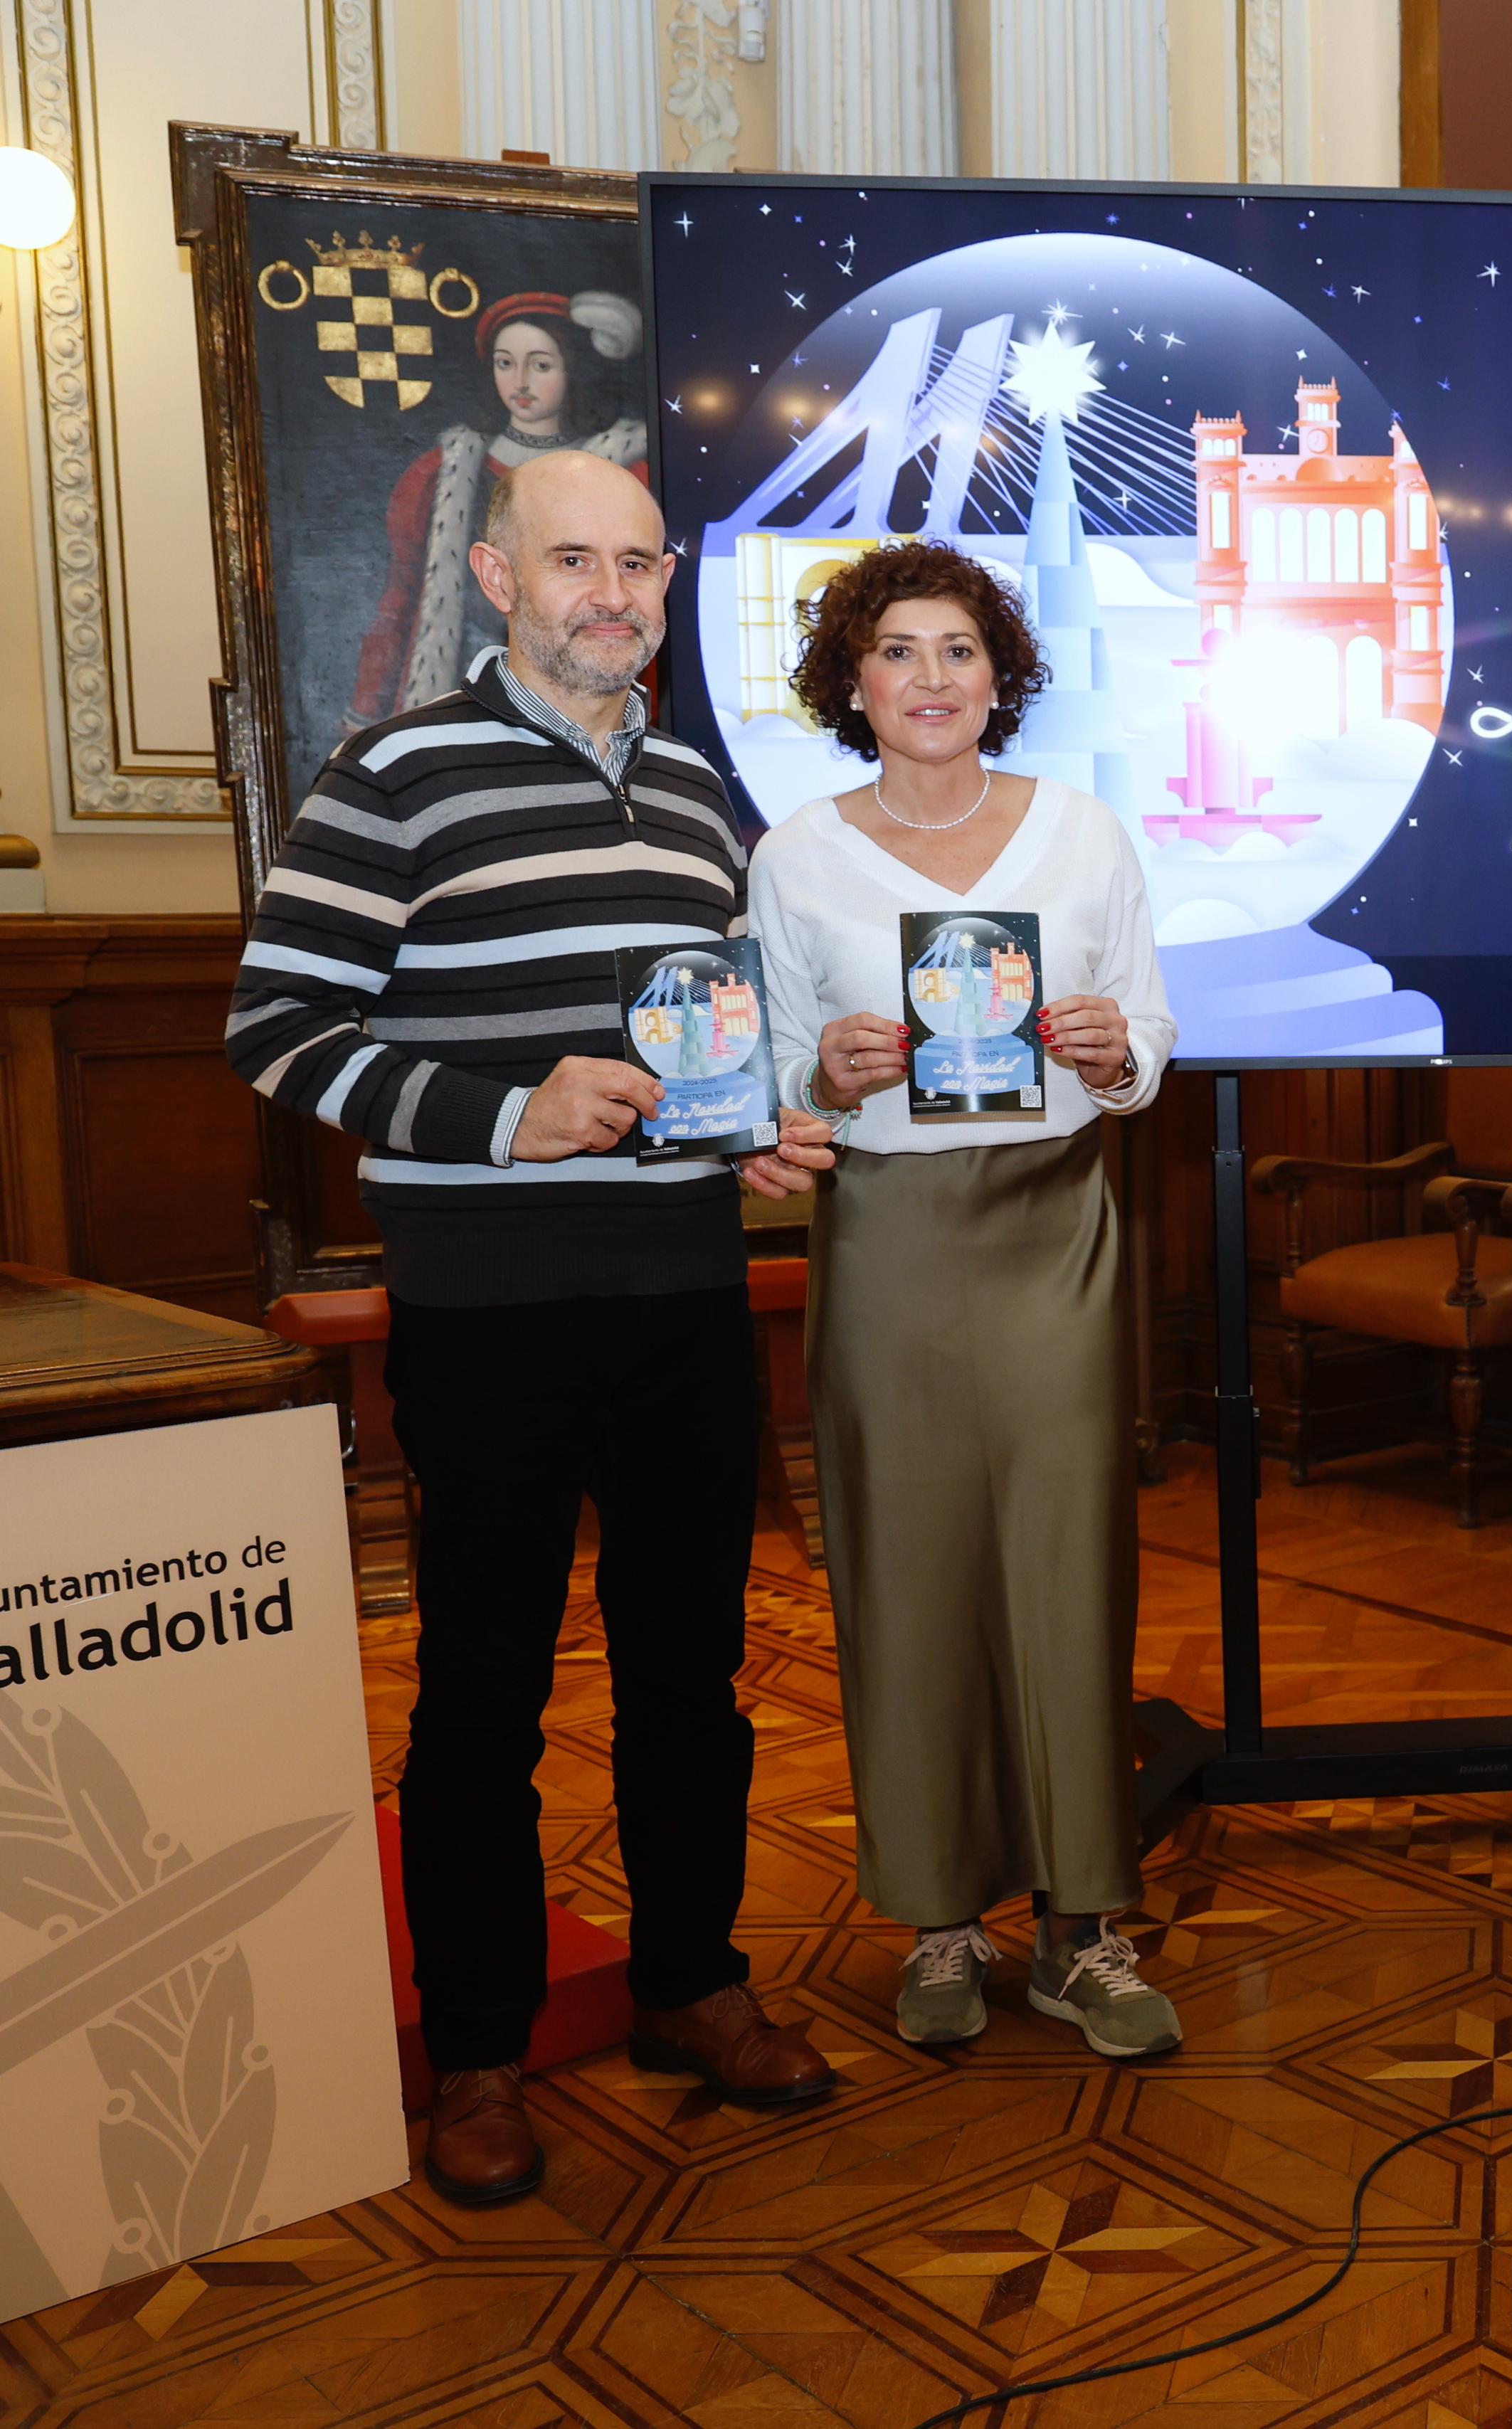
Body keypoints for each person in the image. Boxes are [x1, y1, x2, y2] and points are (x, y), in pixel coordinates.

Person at [228, 450, 844, 2207]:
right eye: (574, 560)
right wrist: (511, 1115)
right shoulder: (395, 774)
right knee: (484, 1693)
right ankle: (481, 2050)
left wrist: (755, 1128)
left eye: (638, 564)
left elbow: (706, 1039)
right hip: (486, 1307)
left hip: (682, 1295)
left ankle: (692, 1983)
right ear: (499, 579)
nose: (612, 594)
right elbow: (278, 1031)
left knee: (691, 1674)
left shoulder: (696, 792)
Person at [750, 540, 1183, 2060]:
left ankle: (1082, 1928)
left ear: (1002, 677)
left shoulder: (1083, 833)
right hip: (887, 1240)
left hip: (1055, 1230)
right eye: (897, 651)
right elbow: (774, 1075)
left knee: (1071, 1568)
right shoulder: (795, 855)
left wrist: (1116, 1052)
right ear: (851, 684)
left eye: (958, 650)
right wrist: (825, 1070)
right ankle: (940, 1919)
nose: (929, 678)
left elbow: (1151, 1038)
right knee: (908, 1572)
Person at [351, 289, 648, 727]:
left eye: (541, 365)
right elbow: (400, 597)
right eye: (505, 363)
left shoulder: (625, 472)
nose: (521, 382)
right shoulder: (444, 472)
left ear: (572, 369)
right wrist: (365, 713)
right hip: (464, 690)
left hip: (584, 692)